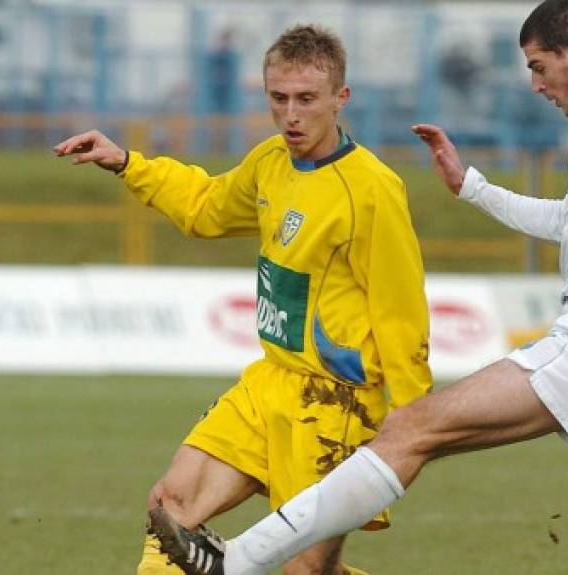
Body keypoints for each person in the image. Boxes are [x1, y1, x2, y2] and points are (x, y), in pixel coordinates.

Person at [149, 2, 568, 574]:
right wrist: (471, 186)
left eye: (538, 67)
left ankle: (235, 561)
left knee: (410, 427)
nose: (536, 84)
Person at [54, 24, 432, 575]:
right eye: (279, 98)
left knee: (304, 571)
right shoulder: (269, 163)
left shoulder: (372, 190)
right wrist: (129, 163)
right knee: (171, 510)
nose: (291, 114)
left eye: (306, 99)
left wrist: (413, 418)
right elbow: (207, 206)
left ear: (340, 99)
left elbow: (401, 311)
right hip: (269, 385)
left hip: (336, 408)